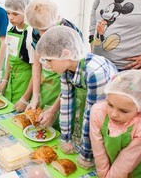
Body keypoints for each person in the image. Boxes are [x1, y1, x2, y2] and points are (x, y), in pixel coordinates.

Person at [35, 26, 118, 169]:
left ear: (66, 54)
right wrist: (65, 138)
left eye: (49, 60)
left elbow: (93, 116)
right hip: (91, 114)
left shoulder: (94, 72)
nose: (47, 66)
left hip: (110, 119)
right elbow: (66, 103)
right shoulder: (66, 68)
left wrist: (86, 154)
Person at [24, 0, 83, 120]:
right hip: (47, 79)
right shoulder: (37, 30)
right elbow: (36, 64)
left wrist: (53, 110)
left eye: (45, 30)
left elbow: (71, 80)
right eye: (37, 29)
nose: (41, 34)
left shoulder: (70, 34)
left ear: (57, 20)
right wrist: (35, 95)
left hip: (67, 83)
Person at [90, 70, 141, 177]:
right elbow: (98, 150)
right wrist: (103, 174)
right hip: (111, 165)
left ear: (139, 108)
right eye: (110, 104)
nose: (113, 114)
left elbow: (128, 159)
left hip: (138, 169)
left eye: (123, 111)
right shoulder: (98, 112)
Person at [0, 0, 34, 110]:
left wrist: (25, 98)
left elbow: (36, 69)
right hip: (12, 79)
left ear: (25, 11)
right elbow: (9, 57)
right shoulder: (10, 29)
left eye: (15, 14)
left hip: (25, 82)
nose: (10, 17)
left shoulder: (30, 33)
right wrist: (4, 80)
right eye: (8, 13)